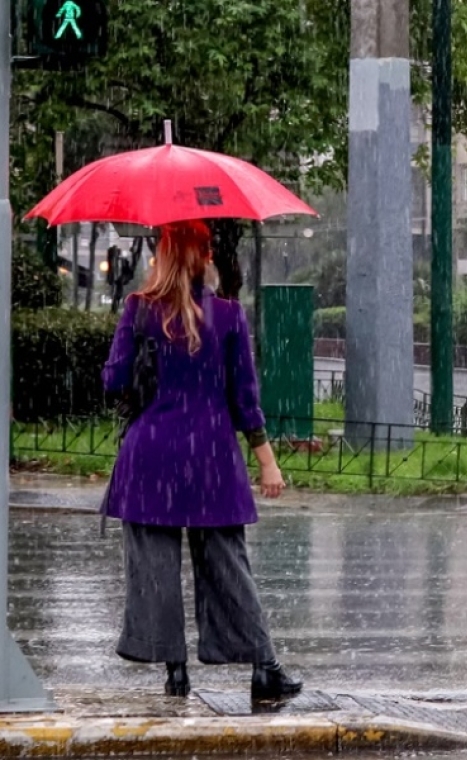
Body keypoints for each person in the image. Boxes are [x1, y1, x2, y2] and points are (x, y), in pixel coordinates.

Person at [102, 220, 302, 700]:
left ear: (164, 256)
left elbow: (113, 381)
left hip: (150, 456)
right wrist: (267, 462)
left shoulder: (139, 310)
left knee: (154, 567)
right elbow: (245, 398)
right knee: (228, 565)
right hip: (211, 458)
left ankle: (174, 670)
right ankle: (263, 667)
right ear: (205, 257)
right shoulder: (230, 316)